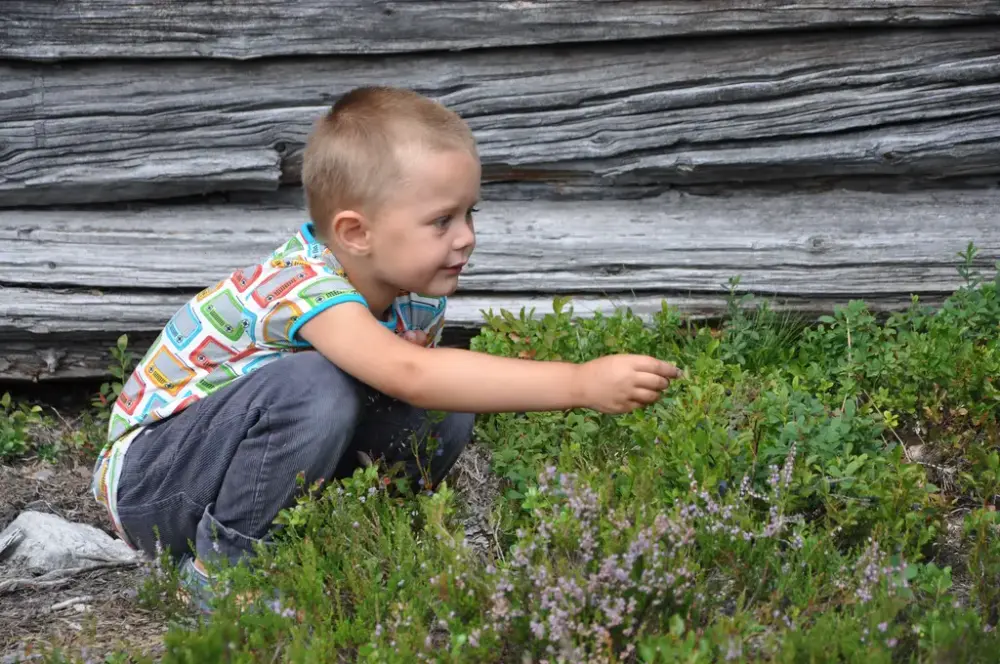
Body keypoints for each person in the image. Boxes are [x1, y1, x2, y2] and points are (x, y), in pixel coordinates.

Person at [90, 86, 682, 612]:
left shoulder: (413, 294)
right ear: (356, 233)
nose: (467, 236)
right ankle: (224, 571)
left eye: (470, 213)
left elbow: (421, 383)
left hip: (231, 469)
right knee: (318, 384)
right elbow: (410, 372)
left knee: (444, 408)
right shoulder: (303, 285)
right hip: (155, 485)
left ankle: (359, 538)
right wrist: (579, 384)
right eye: (442, 220)